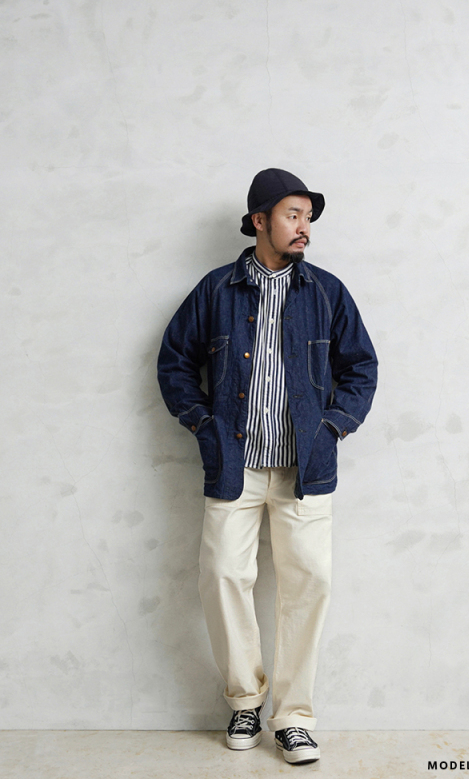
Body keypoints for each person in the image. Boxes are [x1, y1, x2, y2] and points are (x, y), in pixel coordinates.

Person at [157, 168, 377, 764]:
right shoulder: (215, 290)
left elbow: (361, 367)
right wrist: (203, 425)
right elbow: (174, 362)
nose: (304, 227)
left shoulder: (327, 292)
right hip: (234, 465)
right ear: (259, 221)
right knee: (222, 577)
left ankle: (294, 717)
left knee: (310, 583)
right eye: (292, 215)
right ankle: (244, 702)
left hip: (306, 468)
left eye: (308, 217)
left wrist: (333, 427)